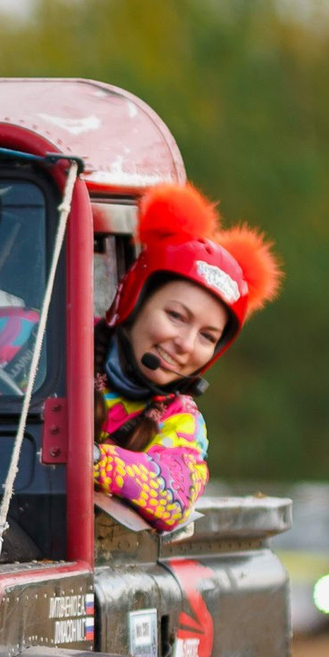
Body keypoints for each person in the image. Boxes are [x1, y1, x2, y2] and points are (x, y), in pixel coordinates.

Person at [93, 184, 279, 530]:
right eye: (176, 316)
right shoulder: (42, 341)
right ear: (132, 302)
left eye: (207, 336)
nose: (186, 345)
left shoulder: (181, 421)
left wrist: (87, 459)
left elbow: (173, 493)